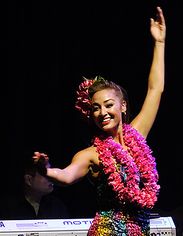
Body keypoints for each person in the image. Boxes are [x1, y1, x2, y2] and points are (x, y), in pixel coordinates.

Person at [33, 6, 166, 235]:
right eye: (95, 108)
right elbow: (67, 175)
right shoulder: (91, 154)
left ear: (122, 106)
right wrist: (46, 170)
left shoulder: (138, 133)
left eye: (108, 105)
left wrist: (159, 43)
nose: (101, 112)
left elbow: (155, 89)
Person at [0, 155, 70, 220]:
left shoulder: (57, 206)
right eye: (44, 174)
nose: (51, 177)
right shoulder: (7, 207)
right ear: (29, 180)